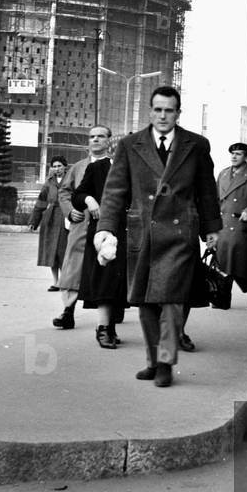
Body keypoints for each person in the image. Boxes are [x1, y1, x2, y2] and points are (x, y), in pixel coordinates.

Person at [94, 86, 221, 388]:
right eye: (158, 110)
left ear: (178, 113)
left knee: (172, 301)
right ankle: (153, 361)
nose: (163, 116)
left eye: (169, 110)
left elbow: (206, 191)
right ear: (150, 112)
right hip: (143, 231)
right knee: (146, 302)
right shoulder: (130, 145)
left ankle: (165, 362)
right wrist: (105, 228)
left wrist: (211, 229)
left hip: (180, 233)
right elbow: (115, 191)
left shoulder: (196, 145)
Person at [53, 126, 113, 330]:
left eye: (100, 136)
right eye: (92, 137)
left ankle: (110, 316)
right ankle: (67, 312)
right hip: (81, 225)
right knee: (73, 268)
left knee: (106, 267)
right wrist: (70, 211)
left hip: (106, 226)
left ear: (108, 141)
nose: (95, 140)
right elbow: (64, 192)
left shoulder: (115, 166)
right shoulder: (78, 167)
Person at [69, 139, 127, 348]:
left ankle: (110, 327)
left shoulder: (137, 171)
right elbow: (77, 195)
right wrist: (89, 199)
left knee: (120, 281)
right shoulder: (98, 168)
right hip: (104, 231)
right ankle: (103, 328)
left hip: (130, 231)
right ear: (111, 151)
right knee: (105, 278)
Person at [215, 143, 247, 301]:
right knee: (223, 263)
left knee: (238, 264)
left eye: (238, 154)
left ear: (246, 157)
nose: (234, 156)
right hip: (223, 224)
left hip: (240, 224)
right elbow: (215, 198)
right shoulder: (223, 173)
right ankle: (222, 298)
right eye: (232, 153)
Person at [30, 156, 69, 290]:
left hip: (66, 217)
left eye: (59, 166)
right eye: (54, 166)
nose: (57, 169)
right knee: (52, 250)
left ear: (65, 166)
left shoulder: (71, 180)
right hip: (51, 218)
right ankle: (55, 282)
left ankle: (65, 281)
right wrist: (34, 221)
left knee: (63, 250)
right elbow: (41, 202)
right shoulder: (49, 183)